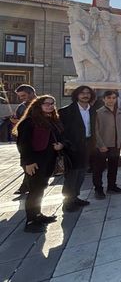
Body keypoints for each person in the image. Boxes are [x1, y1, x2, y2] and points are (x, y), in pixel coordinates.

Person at [14, 95, 65, 232]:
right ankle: (31, 221)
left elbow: (58, 137)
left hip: (48, 160)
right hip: (35, 161)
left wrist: (60, 145)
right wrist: (28, 163)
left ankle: (38, 214)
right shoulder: (29, 122)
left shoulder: (52, 120)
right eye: (46, 104)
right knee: (34, 191)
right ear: (38, 105)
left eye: (52, 104)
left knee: (41, 188)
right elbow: (23, 144)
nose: (50, 106)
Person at [58, 86, 95, 211]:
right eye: (82, 93)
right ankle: (67, 202)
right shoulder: (66, 111)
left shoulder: (93, 110)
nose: (85, 95)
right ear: (76, 95)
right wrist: (65, 144)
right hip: (72, 146)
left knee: (82, 172)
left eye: (88, 93)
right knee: (72, 174)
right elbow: (60, 131)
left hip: (87, 144)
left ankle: (75, 197)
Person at [94, 90, 121, 198]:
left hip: (116, 145)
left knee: (113, 167)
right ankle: (98, 189)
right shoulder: (98, 113)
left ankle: (112, 186)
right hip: (103, 145)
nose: (111, 100)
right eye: (109, 98)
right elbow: (95, 130)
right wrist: (100, 144)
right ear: (104, 99)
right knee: (99, 168)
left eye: (114, 98)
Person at [12, 84, 37, 195]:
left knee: (31, 162)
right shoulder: (21, 107)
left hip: (37, 139)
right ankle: (27, 185)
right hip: (23, 139)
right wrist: (15, 121)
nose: (21, 98)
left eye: (23, 95)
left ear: (31, 93)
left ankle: (27, 186)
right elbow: (18, 121)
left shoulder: (42, 104)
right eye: (20, 96)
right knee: (25, 162)